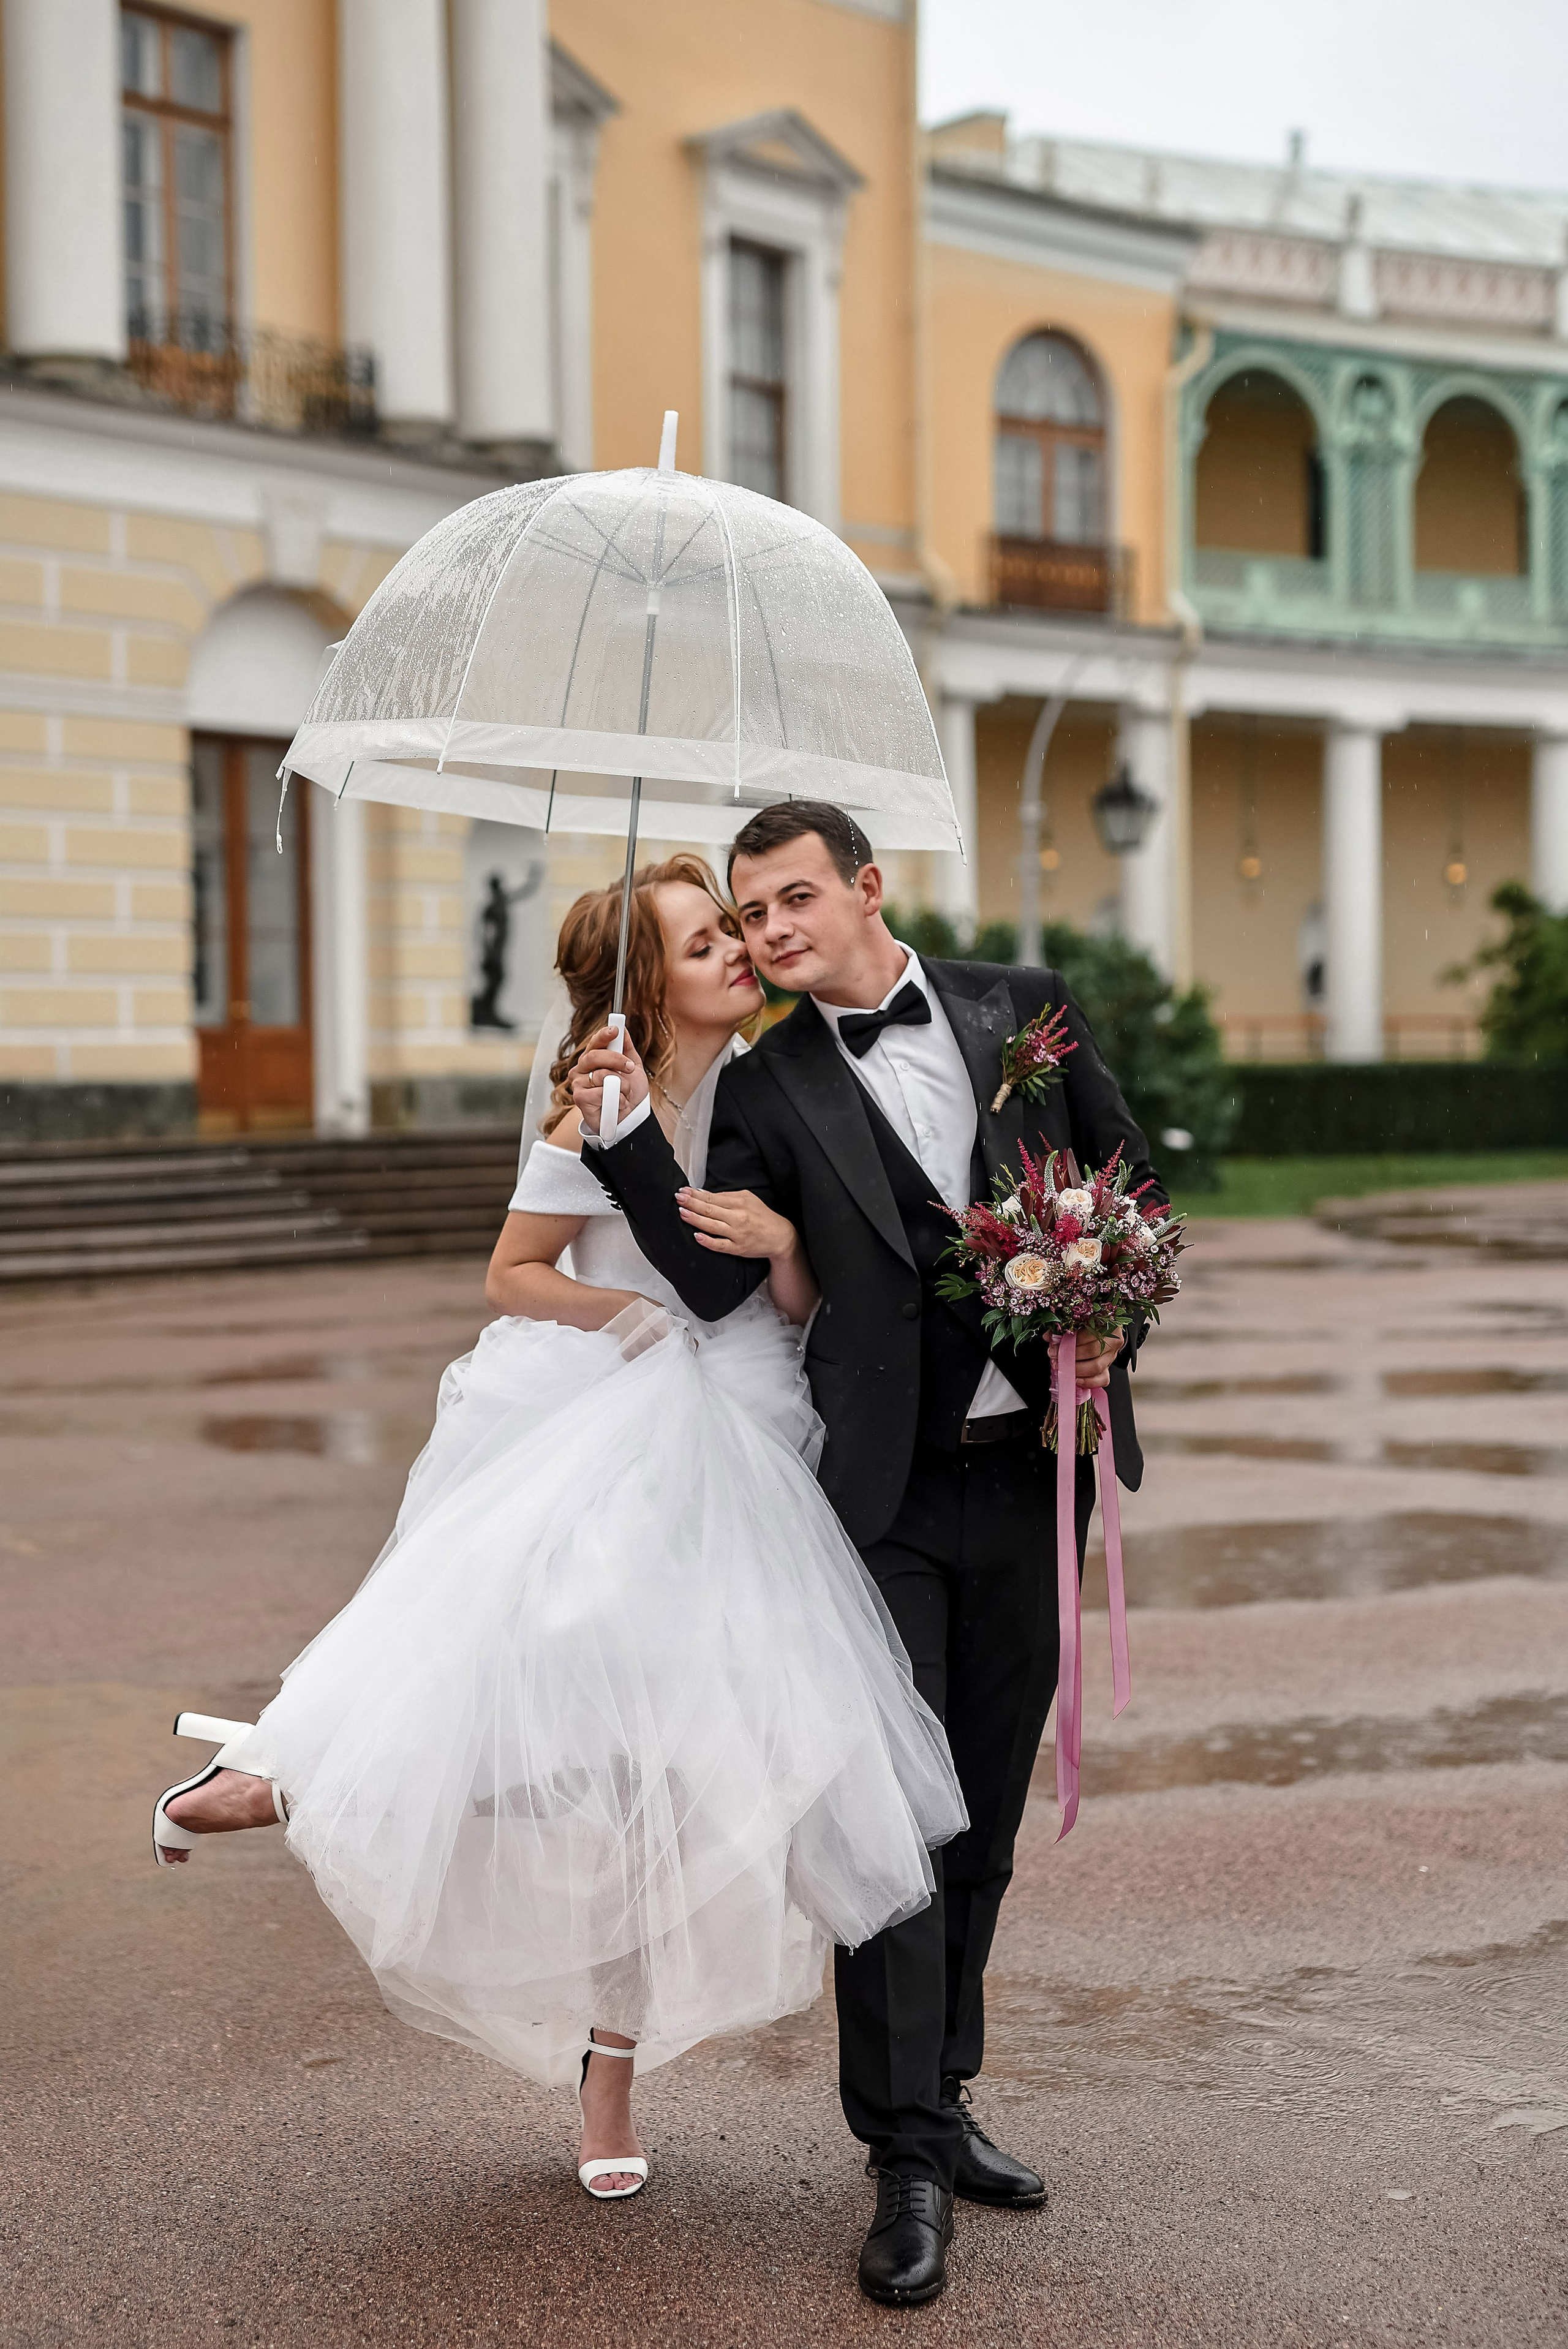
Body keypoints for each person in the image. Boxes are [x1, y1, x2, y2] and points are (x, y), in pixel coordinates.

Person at [153, 851, 965, 2206]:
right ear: (649, 980)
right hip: (615, 1429)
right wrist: (627, 1317)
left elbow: (800, 1298)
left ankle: (607, 2081)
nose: (734, 952)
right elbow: (510, 1270)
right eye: (703, 938)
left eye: (732, 931)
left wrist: (779, 1248)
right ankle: (297, 1779)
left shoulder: (776, 1098)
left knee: (675, 1786)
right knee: (546, 1728)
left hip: (753, 1437)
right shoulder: (595, 1104)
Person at [573, 803, 1163, 2306]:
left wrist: (1105, 1302)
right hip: (885, 1496)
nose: (768, 935)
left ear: (864, 889)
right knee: (890, 1833)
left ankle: (945, 2097)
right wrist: (629, 1129)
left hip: (1033, 1473)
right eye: (751, 915)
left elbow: (1127, 1180)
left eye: (790, 902)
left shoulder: (1011, 1010)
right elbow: (713, 1287)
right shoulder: (769, 1081)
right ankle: (899, 2157)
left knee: (981, 1829)